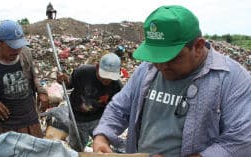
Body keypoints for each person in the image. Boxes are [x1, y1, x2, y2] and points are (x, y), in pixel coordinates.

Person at [93, 5, 251, 157]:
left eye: (171, 58)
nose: (161, 65)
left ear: (198, 46)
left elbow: (241, 142)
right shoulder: (146, 69)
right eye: (156, 57)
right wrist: (102, 136)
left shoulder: (233, 79)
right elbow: (119, 108)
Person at [56, 53, 123, 151]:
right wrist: (63, 81)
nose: (106, 80)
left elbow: (117, 108)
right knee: (75, 148)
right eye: (104, 76)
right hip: (77, 118)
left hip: (98, 119)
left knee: (102, 147)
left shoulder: (116, 86)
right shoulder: (82, 72)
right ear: (97, 67)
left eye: (110, 78)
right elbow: (69, 85)